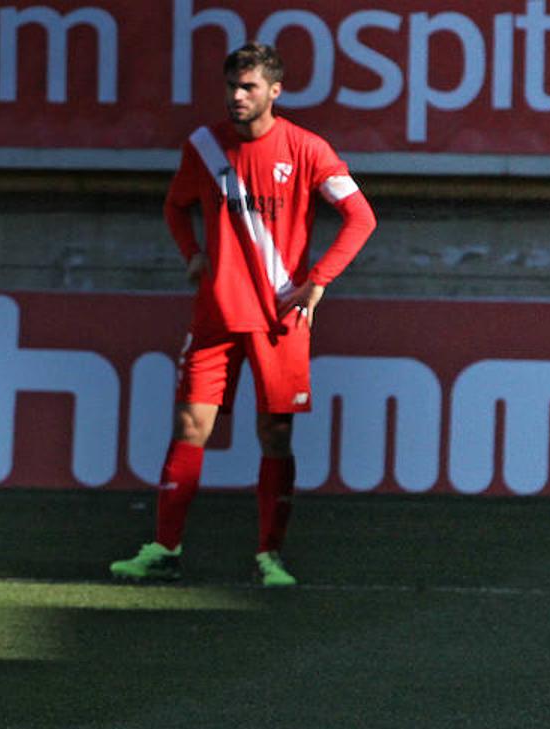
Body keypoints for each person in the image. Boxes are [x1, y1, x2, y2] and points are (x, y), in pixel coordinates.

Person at [111, 42, 376, 587]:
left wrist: (318, 280)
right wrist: (193, 254)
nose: (237, 96)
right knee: (190, 426)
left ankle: (269, 556)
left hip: (280, 317)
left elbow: (360, 216)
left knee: (275, 436)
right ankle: (164, 548)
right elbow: (174, 205)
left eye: (249, 87)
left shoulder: (305, 149)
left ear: (274, 91)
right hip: (216, 315)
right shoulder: (205, 147)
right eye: (232, 85)